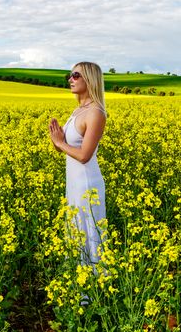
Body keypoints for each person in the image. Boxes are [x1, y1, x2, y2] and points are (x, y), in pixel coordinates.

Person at [49, 61, 106, 266]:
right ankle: (77, 285)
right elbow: (66, 148)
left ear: (89, 79)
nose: (70, 79)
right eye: (70, 75)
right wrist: (57, 141)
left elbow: (84, 155)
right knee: (76, 230)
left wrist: (60, 142)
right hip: (74, 182)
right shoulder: (77, 111)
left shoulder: (96, 113)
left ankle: (92, 292)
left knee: (88, 233)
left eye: (75, 75)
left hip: (87, 184)